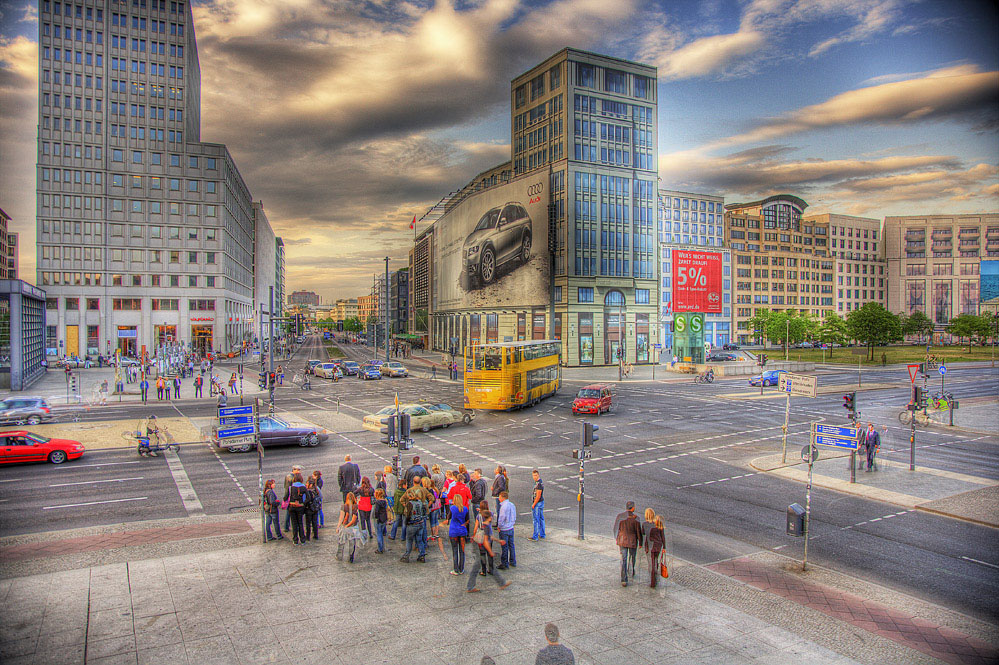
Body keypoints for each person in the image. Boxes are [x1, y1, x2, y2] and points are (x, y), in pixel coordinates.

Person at [466, 509, 510, 593]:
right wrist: (490, 552)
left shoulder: (485, 525)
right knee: (479, 566)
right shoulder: (486, 526)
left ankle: (501, 583)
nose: (492, 518)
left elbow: (490, 537)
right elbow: (486, 541)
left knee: (487, 566)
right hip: (482, 548)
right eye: (491, 516)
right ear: (488, 517)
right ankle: (470, 586)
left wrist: (498, 541)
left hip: (480, 547)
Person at [400, 479, 431, 563]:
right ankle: (422, 555)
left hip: (412, 524)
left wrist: (406, 523)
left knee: (409, 540)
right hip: (420, 523)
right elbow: (425, 511)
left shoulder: (409, 504)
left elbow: (407, 514)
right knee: (419, 540)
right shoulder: (420, 502)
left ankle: (407, 555)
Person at [614, 501, 643, 586]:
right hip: (632, 541)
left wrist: (617, 538)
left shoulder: (620, 516)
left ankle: (624, 579)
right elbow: (638, 532)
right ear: (633, 508)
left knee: (623, 559)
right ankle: (631, 570)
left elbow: (616, 528)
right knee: (632, 556)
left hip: (622, 540)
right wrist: (640, 542)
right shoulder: (636, 518)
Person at [447, 494, 470, 575]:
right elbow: (467, 520)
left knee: (455, 550)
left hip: (454, 531)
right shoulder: (465, 509)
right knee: (462, 551)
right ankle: (461, 568)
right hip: (462, 531)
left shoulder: (452, 508)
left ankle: (455, 569)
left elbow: (448, 517)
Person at [336, 492, 362, 563]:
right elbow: (355, 518)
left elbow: (341, 518)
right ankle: (351, 557)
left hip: (345, 527)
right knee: (352, 542)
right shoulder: (356, 506)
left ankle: (339, 556)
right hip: (353, 527)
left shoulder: (344, 506)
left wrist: (338, 527)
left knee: (341, 542)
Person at [284, 472, 308, 545]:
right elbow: (308, 497)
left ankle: (295, 540)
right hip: (300, 507)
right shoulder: (303, 487)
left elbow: (285, 497)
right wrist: (303, 504)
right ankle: (303, 539)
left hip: (292, 507)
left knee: (294, 524)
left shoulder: (290, 487)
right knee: (300, 523)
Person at [497, 490, 516, 570]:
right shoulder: (512, 505)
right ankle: (513, 561)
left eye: (500, 497)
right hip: (511, 527)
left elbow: (501, 518)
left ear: (502, 497)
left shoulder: (503, 507)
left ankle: (504, 563)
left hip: (504, 529)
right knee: (511, 545)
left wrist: (499, 526)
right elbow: (514, 516)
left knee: (504, 546)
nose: (499, 498)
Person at [646, 515, 666, 589]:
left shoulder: (651, 528)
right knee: (656, 560)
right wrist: (664, 547)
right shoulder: (660, 528)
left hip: (652, 546)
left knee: (652, 562)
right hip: (658, 545)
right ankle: (655, 574)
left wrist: (646, 547)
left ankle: (652, 582)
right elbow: (663, 537)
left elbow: (648, 538)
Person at [283, 465, 302, 532]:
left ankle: (286, 526)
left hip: (290, 496)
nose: (299, 471)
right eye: (298, 470)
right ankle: (286, 527)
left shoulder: (288, 476)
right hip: (291, 497)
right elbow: (288, 488)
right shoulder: (291, 477)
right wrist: (286, 497)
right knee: (289, 512)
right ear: (294, 470)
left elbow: (285, 486)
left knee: (289, 512)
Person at [304, 477, 321, 542]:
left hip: (309, 509)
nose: (306, 485)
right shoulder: (316, 490)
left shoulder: (308, 491)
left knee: (308, 523)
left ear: (310, 485)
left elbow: (307, 500)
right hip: (315, 508)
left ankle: (308, 536)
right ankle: (316, 535)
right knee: (315, 522)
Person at [530, 469, 545, 541]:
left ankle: (535, 536)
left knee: (536, 519)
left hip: (537, 503)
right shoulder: (539, 482)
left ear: (538, 475)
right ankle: (542, 534)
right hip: (541, 502)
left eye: (535, 475)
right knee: (541, 518)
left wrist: (534, 504)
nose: (534, 477)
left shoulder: (538, 484)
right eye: (533, 475)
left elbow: (538, 496)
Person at [373, 488, 389, 554]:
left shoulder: (377, 502)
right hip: (384, 519)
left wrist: (376, 517)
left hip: (379, 519)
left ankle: (380, 549)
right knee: (381, 534)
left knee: (379, 534)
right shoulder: (384, 501)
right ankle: (382, 547)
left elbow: (376, 511)